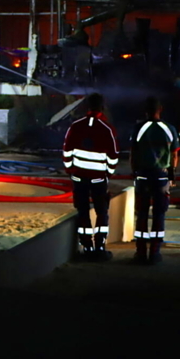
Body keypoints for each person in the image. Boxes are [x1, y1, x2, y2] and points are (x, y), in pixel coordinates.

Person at [62, 92, 119, 261]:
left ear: (87, 107)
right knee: (102, 212)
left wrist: (71, 170)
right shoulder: (107, 128)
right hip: (99, 179)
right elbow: (113, 156)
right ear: (102, 107)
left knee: (83, 212)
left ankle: (86, 247)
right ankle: (100, 247)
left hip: (79, 178)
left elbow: (66, 151)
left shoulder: (75, 126)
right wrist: (107, 174)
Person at [131, 97, 177, 264]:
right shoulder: (169, 128)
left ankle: (141, 252)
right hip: (161, 177)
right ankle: (155, 253)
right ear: (161, 109)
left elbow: (133, 152)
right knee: (159, 214)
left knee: (142, 213)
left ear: (146, 110)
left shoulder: (139, 128)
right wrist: (171, 175)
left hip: (142, 175)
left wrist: (134, 172)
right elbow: (175, 154)